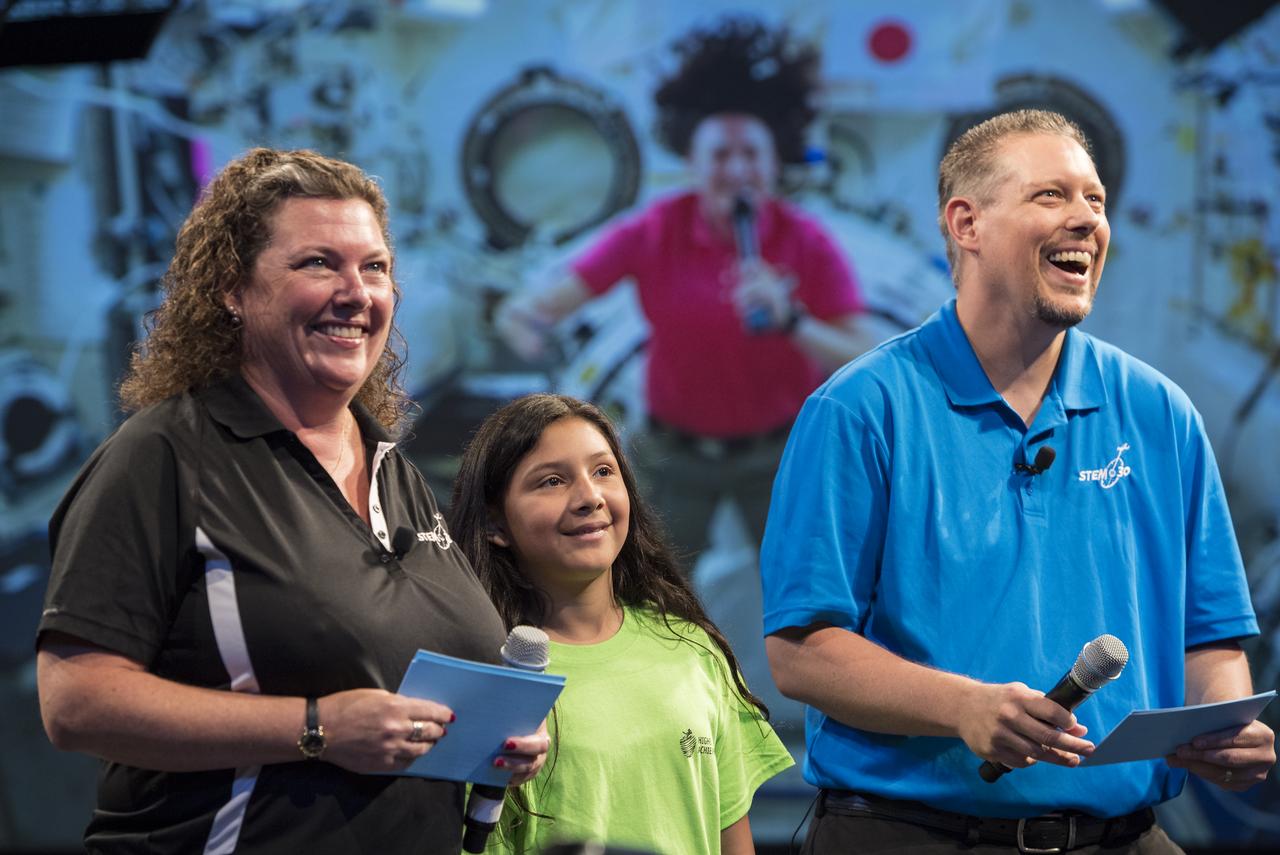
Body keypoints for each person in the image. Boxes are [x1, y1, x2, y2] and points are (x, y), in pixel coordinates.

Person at [760, 109, 1276, 853]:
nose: (1086, 221)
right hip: (914, 834)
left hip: (1122, 835)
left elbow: (1210, 638)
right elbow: (800, 651)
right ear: (966, 223)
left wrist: (1225, 726)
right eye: (1051, 196)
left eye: (1096, 201)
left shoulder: (1161, 413)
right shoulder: (860, 408)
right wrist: (962, 706)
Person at [35, 148, 548, 854]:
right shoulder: (166, 455)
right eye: (317, 263)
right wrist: (318, 727)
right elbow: (76, 702)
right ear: (232, 290)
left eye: (375, 267)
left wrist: (497, 735)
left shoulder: (394, 470)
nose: (356, 292)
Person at [495, 18, 884, 571]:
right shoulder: (653, 231)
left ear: (774, 164)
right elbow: (541, 307)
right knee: (647, 591)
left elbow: (865, 353)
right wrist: (528, 328)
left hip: (778, 454)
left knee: (806, 590)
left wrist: (793, 321)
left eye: (751, 154)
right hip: (673, 455)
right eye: (721, 155)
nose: (738, 169)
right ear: (693, 165)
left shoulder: (806, 241)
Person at [448, 393, 793, 854]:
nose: (589, 497)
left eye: (603, 471)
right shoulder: (488, 679)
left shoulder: (692, 649)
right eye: (551, 481)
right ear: (496, 523)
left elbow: (732, 836)